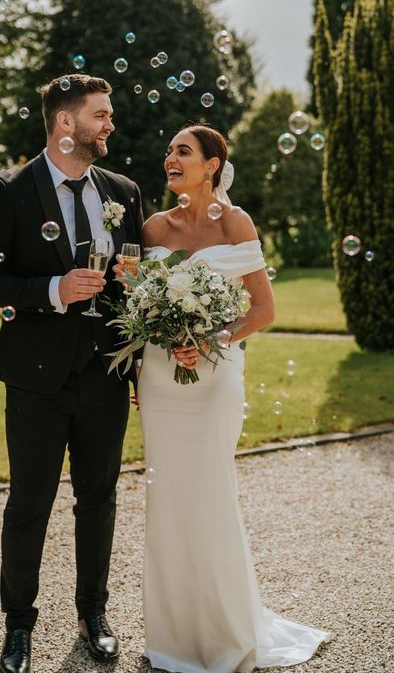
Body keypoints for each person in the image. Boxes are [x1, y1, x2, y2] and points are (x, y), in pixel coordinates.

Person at [135, 124, 331, 672]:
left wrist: (210, 338)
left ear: (212, 165)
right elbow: (135, 304)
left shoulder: (236, 222)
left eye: (183, 151)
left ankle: (225, 630)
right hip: (158, 379)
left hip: (214, 379)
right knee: (168, 498)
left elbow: (263, 310)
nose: (170, 158)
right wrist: (156, 346)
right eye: (169, 150)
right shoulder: (152, 228)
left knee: (210, 492)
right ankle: (173, 637)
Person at [0, 73, 143, 673]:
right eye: (101, 114)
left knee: (98, 500)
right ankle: (18, 629)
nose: (110, 124)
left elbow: (133, 287)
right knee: (29, 504)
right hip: (36, 380)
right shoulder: (8, 191)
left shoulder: (122, 190)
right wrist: (53, 289)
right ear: (66, 123)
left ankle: (93, 614)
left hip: (104, 377)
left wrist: (137, 351)